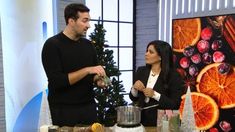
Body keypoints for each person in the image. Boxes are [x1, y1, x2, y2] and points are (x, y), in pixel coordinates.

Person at [41, 3, 107, 127]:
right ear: (71, 21)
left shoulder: (88, 45)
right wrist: (87, 70)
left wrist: (99, 80)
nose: (88, 25)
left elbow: (93, 74)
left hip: (89, 108)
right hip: (63, 110)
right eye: (85, 21)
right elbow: (57, 81)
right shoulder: (52, 45)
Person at [129, 40, 184, 126]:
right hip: (140, 122)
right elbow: (133, 98)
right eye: (147, 51)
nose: (146, 54)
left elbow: (175, 104)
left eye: (151, 52)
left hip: (161, 124)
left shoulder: (174, 76)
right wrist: (134, 88)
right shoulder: (141, 71)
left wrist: (155, 95)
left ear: (160, 56)